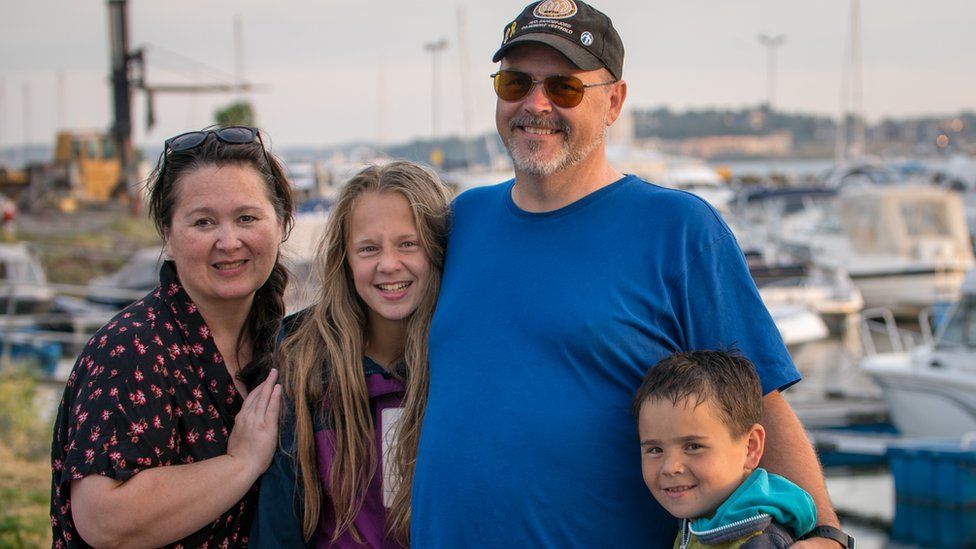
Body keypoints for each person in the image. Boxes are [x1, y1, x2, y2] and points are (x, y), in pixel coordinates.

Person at [411, 1, 852, 547]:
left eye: (565, 89)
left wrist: (827, 533)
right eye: (515, 83)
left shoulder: (678, 228)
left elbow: (757, 395)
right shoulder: (463, 219)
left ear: (614, 101)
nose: (535, 104)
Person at [50, 125, 293, 548]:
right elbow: (103, 520)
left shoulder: (287, 343)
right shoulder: (131, 350)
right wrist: (241, 462)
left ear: (282, 222)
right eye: (203, 222)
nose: (228, 241)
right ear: (168, 233)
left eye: (247, 218)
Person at [249, 162, 451, 547]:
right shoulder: (302, 359)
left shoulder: (464, 360)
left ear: (438, 249)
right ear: (346, 258)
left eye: (408, 244)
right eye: (369, 248)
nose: (388, 264)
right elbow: (279, 520)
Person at [632, 351, 818, 548]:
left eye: (693, 446)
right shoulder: (698, 523)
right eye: (655, 450)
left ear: (750, 448)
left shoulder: (760, 541)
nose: (670, 467)